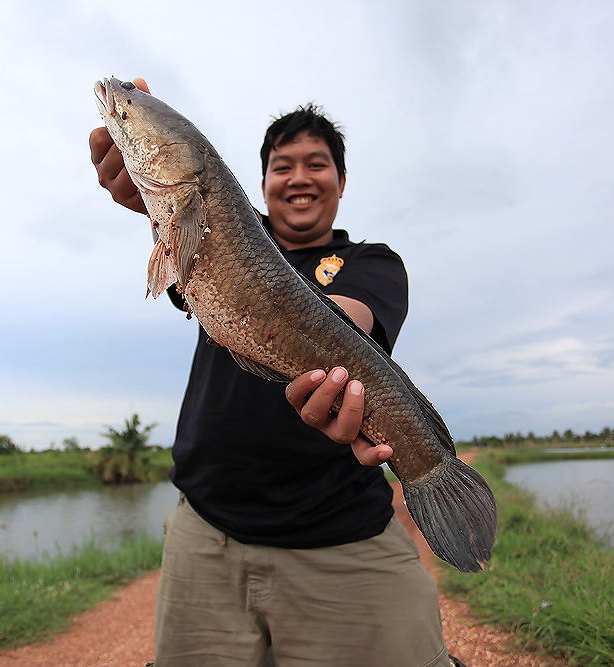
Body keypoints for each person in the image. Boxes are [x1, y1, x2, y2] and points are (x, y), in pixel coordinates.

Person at [90, 78, 451, 667]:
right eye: (283, 166)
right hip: (206, 528)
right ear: (260, 183)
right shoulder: (215, 226)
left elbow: (348, 321)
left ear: (340, 181)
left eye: (318, 164)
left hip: (342, 534)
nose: (300, 178)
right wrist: (155, 209)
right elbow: (193, 248)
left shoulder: (373, 263)